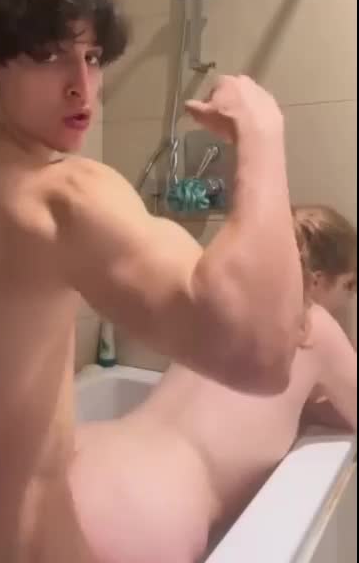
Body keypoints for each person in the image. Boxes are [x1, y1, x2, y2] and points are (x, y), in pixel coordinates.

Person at [0, 0, 302, 562]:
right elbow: (260, 354)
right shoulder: (63, 198)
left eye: (91, 57)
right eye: (49, 55)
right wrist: (262, 137)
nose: (81, 86)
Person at [70, 205, 357, 563]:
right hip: (153, 509)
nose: (350, 299)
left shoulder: (224, 306)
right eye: (349, 285)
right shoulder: (314, 326)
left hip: (88, 452)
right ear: (316, 281)